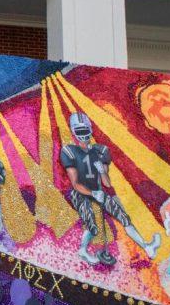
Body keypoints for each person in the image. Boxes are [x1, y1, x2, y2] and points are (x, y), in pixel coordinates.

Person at [60, 112, 161, 267]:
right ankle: (83, 250)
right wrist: (92, 193)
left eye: (85, 130)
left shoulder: (100, 151)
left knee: (123, 217)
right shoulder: (69, 151)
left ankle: (147, 246)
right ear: (74, 132)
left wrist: (102, 171)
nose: (84, 135)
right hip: (80, 193)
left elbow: (107, 183)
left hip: (99, 191)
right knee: (91, 222)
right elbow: (75, 184)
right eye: (80, 131)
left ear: (90, 129)